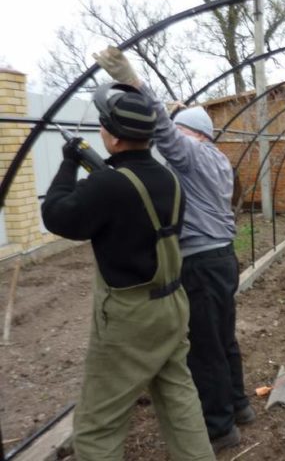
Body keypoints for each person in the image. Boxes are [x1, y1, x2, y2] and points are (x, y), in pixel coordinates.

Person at [41, 83, 215, 460]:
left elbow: (57, 215)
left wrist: (71, 162)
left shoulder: (107, 184)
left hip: (130, 319)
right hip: (172, 305)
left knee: (98, 423)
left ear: (115, 138)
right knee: (179, 400)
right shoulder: (170, 178)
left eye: (104, 125)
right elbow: (129, 201)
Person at [93, 47, 254, 453]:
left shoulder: (191, 153)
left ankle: (219, 428)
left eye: (178, 132)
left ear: (189, 133)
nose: (169, 141)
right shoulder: (215, 157)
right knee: (224, 339)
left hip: (199, 264)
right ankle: (239, 406)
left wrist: (135, 82)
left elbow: (164, 129)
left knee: (205, 347)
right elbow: (175, 128)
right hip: (223, 259)